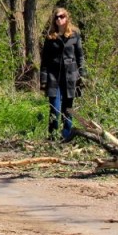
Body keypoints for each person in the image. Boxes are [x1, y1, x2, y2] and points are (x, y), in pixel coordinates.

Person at [39, 7, 86, 142]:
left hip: (70, 78)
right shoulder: (50, 38)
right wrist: (43, 79)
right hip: (53, 78)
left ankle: (66, 138)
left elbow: (80, 57)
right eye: (57, 17)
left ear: (67, 18)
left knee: (68, 110)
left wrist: (82, 75)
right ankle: (52, 138)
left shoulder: (75, 35)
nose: (59, 19)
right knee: (55, 109)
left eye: (62, 16)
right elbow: (45, 61)